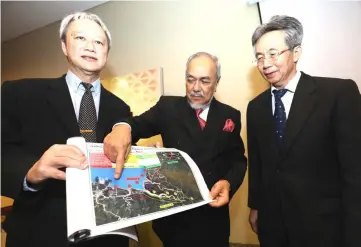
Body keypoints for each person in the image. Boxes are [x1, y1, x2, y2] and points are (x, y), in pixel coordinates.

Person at [1, 12, 132, 247]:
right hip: (39, 234)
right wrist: (31, 172)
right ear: (64, 45)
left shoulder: (121, 109)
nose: (91, 47)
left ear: (106, 52)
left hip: (106, 237)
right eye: (81, 38)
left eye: (99, 42)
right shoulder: (19, 94)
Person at [103, 52, 247, 247]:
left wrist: (229, 183)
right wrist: (123, 127)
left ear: (217, 82)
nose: (196, 88)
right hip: (175, 220)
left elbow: (238, 160)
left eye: (204, 81)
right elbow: (135, 125)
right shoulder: (167, 108)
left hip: (213, 219)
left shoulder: (230, 115)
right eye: (190, 79)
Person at [247, 15, 361, 247]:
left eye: (273, 53)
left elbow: (354, 171)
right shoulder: (255, 107)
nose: (265, 63)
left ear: (296, 53)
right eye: (259, 57)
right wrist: (255, 206)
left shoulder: (338, 94)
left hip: (323, 227)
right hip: (274, 226)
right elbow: (258, 164)